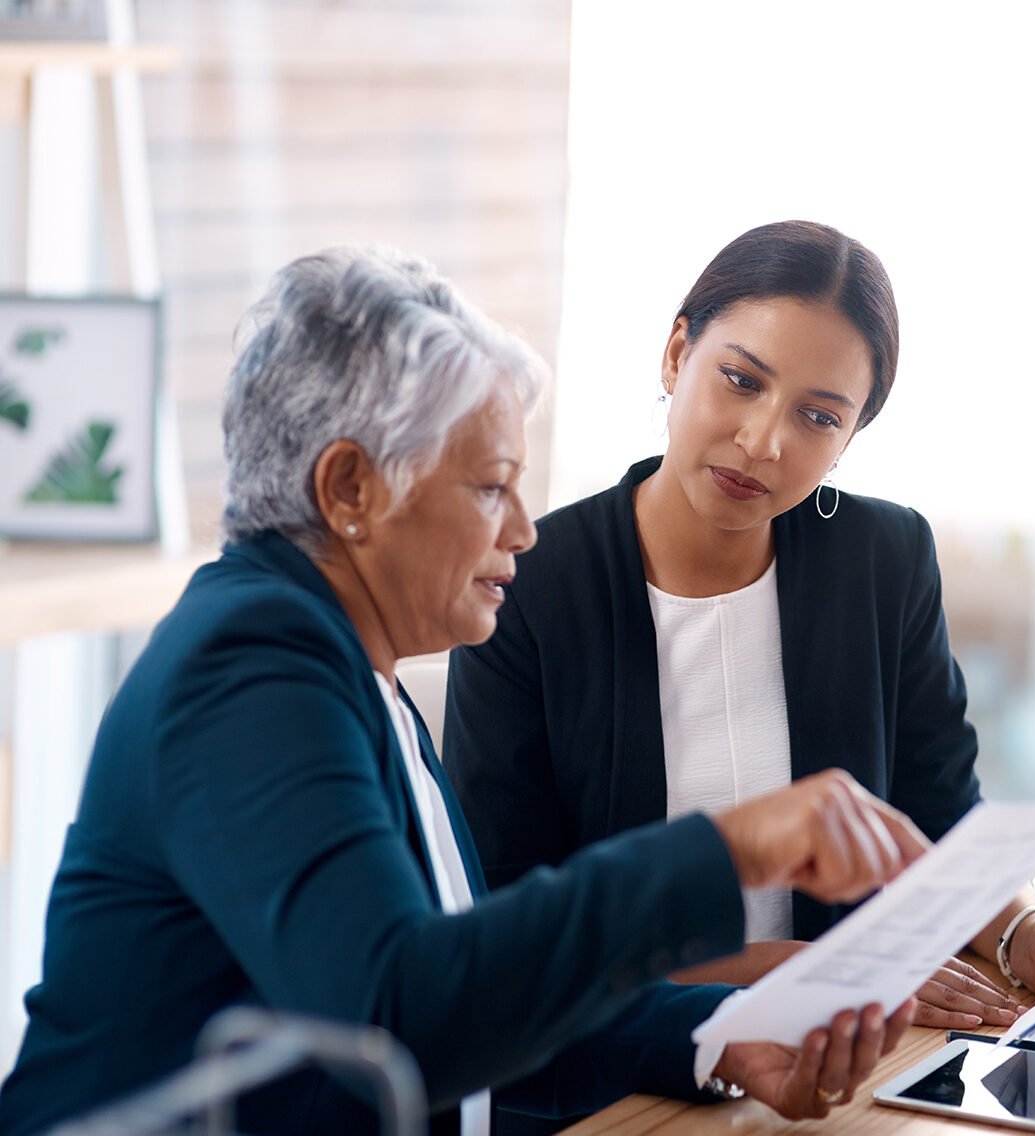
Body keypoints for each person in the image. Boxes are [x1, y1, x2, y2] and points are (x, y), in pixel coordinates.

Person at [0, 247, 927, 1136]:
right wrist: (726, 850)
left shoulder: (354, 673)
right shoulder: (250, 664)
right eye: (492, 488)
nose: (524, 532)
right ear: (351, 488)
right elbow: (397, 1015)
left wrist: (716, 1034)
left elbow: (470, 992)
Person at [443, 220, 1035, 1034]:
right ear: (677, 356)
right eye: (741, 380)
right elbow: (509, 913)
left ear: (850, 439)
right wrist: (791, 976)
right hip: (611, 1060)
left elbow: (940, 811)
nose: (764, 441)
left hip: (843, 1049)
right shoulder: (528, 580)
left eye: (818, 418)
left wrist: (1024, 936)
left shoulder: (884, 557)